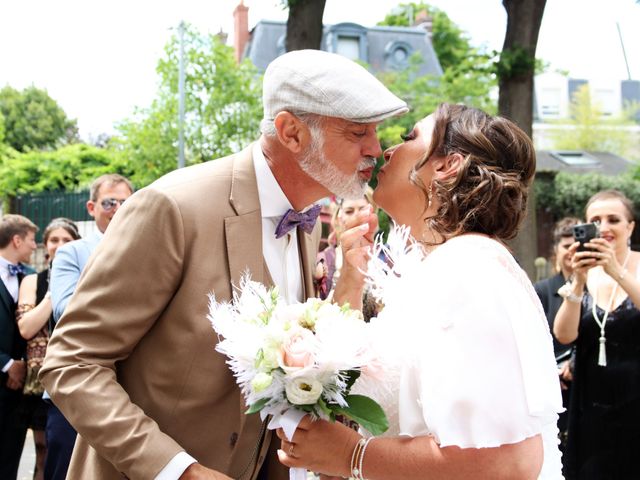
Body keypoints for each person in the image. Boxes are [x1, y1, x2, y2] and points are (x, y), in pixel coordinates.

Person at [40, 49, 408, 480]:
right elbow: (71, 362)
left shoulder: (307, 226)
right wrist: (180, 471)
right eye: (358, 132)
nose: (376, 150)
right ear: (291, 133)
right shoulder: (172, 208)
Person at [277, 103, 564, 479]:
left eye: (409, 137)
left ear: (449, 165)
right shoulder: (444, 266)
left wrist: (352, 456)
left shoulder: (469, 270)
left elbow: (506, 463)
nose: (385, 152)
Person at [44, 174, 133, 480]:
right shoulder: (72, 252)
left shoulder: (148, 245)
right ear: (92, 207)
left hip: (133, 390)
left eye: (126, 202)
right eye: (110, 202)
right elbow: (65, 309)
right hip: (78, 386)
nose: (118, 208)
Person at [553, 189, 640, 479]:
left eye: (613, 219)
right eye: (596, 220)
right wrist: (577, 284)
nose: (604, 227)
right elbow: (564, 335)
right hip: (592, 404)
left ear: (630, 227)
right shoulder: (585, 272)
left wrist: (616, 271)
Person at [15, 217, 80, 480]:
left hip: (70, 377)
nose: (60, 245)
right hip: (36, 380)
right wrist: (56, 291)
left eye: (67, 240)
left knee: (68, 452)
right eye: (54, 240)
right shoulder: (33, 281)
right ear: (45, 246)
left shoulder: (88, 276)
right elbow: (27, 328)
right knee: (42, 449)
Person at [533, 217, 580, 460]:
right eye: (566, 246)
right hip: (554, 388)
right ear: (555, 251)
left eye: (578, 244)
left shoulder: (600, 287)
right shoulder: (540, 290)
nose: (572, 251)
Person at [0, 214, 38, 479]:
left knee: (9, 458)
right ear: (16, 240)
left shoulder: (31, 277)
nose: (35, 247)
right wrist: (6, 364)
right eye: (32, 240)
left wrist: (22, 365)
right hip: (3, 371)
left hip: (18, 390)